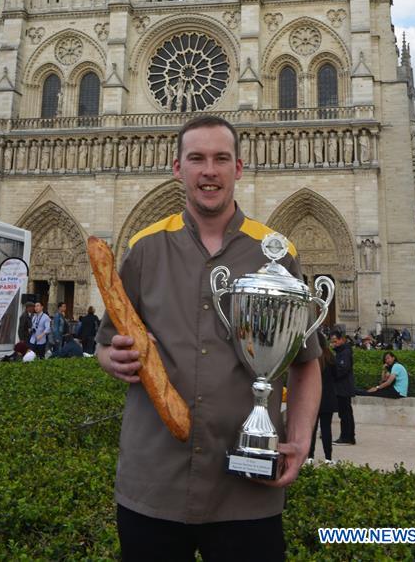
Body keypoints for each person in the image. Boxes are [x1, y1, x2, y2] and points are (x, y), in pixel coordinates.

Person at [96, 115, 321, 562]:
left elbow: (305, 361)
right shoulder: (144, 248)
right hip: (153, 481)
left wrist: (299, 438)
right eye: (196, 158)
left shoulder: (276, 252)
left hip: (247, 488)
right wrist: (110, 358)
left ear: (238, 168)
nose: (209, 171)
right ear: (177, 168)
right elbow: (107, 341)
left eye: (221, 159)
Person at [307, 333, 337, 464]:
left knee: (312, 429)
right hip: (328, 397)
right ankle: (328, 458)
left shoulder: (313, 357)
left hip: (313, 397)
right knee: (326, 429)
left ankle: (309, 456)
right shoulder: (330, 356)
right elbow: (336, 375)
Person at [330, 328, 356, 445]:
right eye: (332, 342)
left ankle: (346, 437)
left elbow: (342, 369)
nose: (333, 344)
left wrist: (332, 374)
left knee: (345, 413)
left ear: (342, 340)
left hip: (343, 388)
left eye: (335, 341)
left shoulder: (344, 353)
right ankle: (349, 436)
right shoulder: (342, 352)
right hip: (343, 387)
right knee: (346, 413)